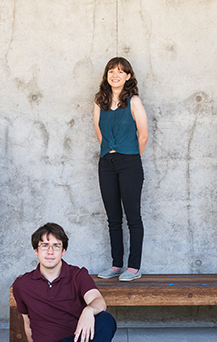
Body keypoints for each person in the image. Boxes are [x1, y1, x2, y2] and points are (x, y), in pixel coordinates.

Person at [93, 57, 149, 282]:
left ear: (128, 76)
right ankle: (117, 264)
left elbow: (143, 135)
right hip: (106, 163)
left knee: (133, 217)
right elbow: (99, 131)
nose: (115, 75)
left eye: (120, 71)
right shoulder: (100, 101)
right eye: (111, 71)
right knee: (113, 218)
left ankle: (134, 267)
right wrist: (109, 152)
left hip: (130, 163)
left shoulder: (134, 101)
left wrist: (131, 157)